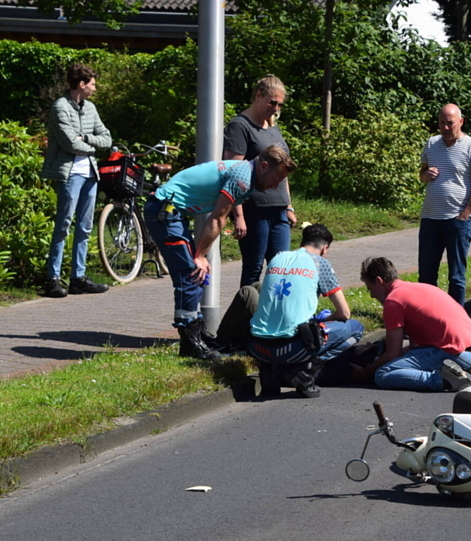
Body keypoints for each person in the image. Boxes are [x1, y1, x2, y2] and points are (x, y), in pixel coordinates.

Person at [144, 145, 296, 361]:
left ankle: (198, 333)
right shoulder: (242, 177)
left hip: (170, 212)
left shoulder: (248, 175)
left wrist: (200, 255)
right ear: (263, 166)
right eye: (277, 177)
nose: (277, 185)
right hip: (164, 212)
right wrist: (200, 256)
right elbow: (217, 218)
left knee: (196, 276)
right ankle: (190, 341)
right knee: (190, 275)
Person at [248, 224, 364, 398]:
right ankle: (301, 368)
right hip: (294, 345)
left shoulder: (277, 257)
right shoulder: (320, 263)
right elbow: (344, 313)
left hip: (257, 344)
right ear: (325, 248)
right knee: (355, 328)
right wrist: (322, 320)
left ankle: (271, 369)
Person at [353, 256, 471, 392]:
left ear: (379, 281)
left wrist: (364, 372)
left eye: (370, 289)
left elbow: (392, 354)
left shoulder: (394, 301)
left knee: (382, 374)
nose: (372, 296)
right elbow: (414, 347)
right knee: (400, 362)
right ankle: (466, 369)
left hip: (453, 354)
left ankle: (444, 380)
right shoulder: (420, 288)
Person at [40, 64, 112, 298]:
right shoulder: (59, 107)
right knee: (63, 225)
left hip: (90, 173)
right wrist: (91, 146)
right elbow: (69, 143)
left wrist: (87, 139)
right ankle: (52, 279)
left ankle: (77, 278)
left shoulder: (90, 108)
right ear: (81, 84)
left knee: (85, 227)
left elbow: (107, 139)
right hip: (69, 173)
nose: (94, 88)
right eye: (92, 84)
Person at [222, 75, 297, 287]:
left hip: (279, 209)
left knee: (281, 268)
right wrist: (238, 215)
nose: (275, 108)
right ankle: (246, 316)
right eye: (272, 102)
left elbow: (283, 170)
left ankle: (274, 317)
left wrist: (289, 206)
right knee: (253, 269)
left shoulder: (272, 127)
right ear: (258, 96)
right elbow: (233, 174)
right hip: (254, 209)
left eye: (280, 104)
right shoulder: (239, 126)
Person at [418, 103, 471, 307]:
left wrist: (465, 214)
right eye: (442, 123)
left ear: (460, 121)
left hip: (457, 221)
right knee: (426, 275)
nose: (446, 128)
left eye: (450, 123)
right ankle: (428, 317)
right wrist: (426, 175)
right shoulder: (431, 144)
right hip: (431, 218)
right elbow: (422, 174)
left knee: (456, 276)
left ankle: (456, 321)